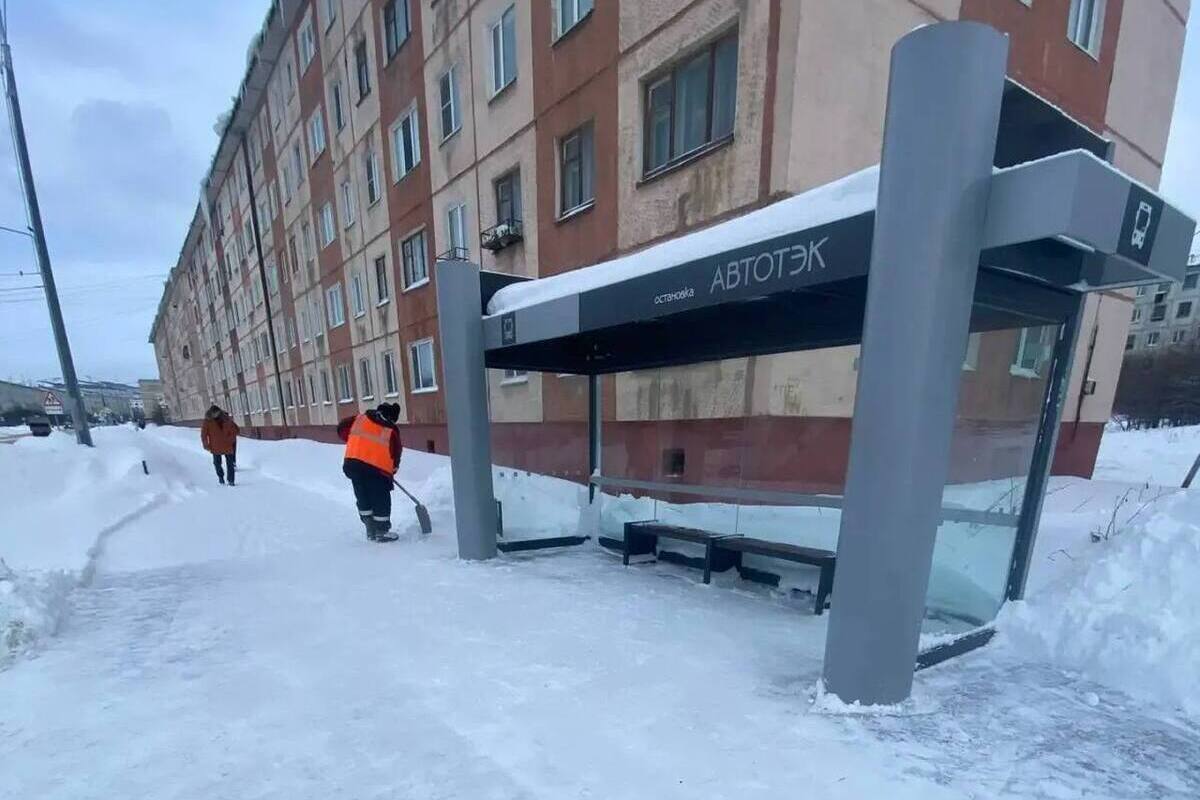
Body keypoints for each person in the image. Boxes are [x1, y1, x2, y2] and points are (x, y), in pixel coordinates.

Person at [338, 402, 403, 541]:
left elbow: (342, 429)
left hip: (353, 464)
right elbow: (396, 453)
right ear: (392, 417)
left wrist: (357, 442)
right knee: (380, 498)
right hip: (376, 470)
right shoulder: (391, 429)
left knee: (362, 495)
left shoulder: (360, 418)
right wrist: (392, 470)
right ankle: (381, 531)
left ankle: (370, 528)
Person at [200, 405, 240, 486]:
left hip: (227, 444)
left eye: (217, 413)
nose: (215, 415)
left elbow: (236, 430)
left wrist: (231, 439)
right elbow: (204, 434)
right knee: (217, 463)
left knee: (230, 463)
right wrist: (206, 445)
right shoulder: (208, 421)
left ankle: (231, 480)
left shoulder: (226, 419)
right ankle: (221, 477)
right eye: (214, 413)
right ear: (211, 413)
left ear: (219, 412)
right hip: (215, 445)